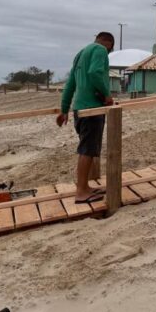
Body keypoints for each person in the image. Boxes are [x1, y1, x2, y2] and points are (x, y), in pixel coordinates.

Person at [56, 32, 115, 204]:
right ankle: (81, 191)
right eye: (110, 50)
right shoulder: (100, 50)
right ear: (109, 43)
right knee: (87, 151)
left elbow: (70, 84)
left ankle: (85, 186)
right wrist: (107, 95)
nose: (108, 54)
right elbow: (96, 72)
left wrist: (64, 109)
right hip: (92, 110)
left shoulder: (80, 54)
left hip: (79, 110)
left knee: (87, 148)